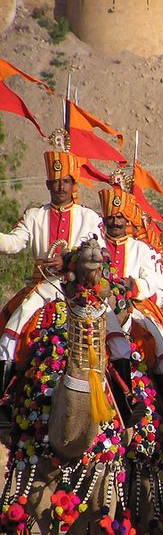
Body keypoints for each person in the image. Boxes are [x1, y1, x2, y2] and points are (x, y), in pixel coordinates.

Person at [0, 150, 120, 399]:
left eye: (65, 180)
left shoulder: (90, 218)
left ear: (73, 184)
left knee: (117, 334)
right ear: (47, 184)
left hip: (81, 291)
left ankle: (125, 399)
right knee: (14, 326)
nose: (60, 186)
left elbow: (103, 255)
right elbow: (13, 244)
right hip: (43, 286)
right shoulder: (34, 216)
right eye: (55, 181)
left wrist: (68, 260)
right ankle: (3, 400)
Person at [99, 185, 163, 416]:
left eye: (119, 217)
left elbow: (151, 283)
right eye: (110, 218)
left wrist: (132, 287)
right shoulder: (94, 244)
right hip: (98, 305)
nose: (115, 223)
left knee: (162, 347)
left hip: (135, 306)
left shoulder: (140, 248)